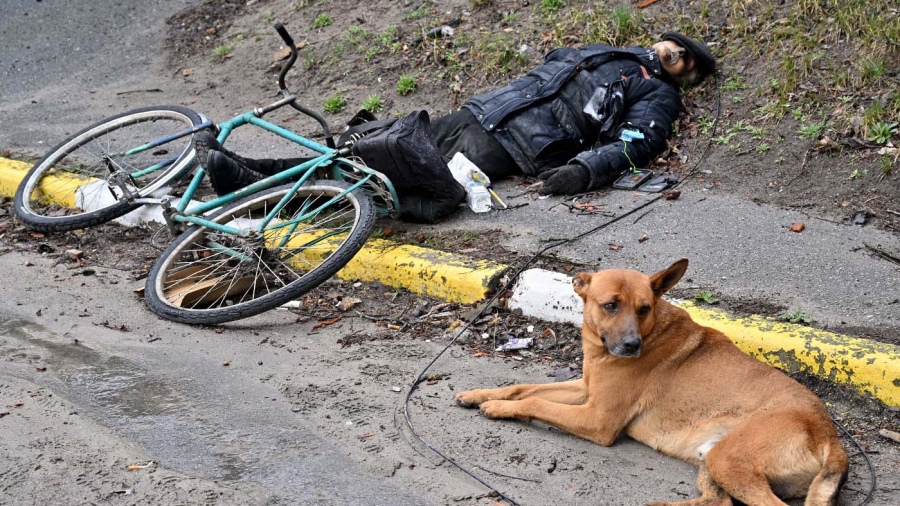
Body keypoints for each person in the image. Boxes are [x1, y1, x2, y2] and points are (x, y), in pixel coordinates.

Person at [194, 32, 715, 206]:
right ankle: (254, 169)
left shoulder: (657, 95)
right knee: (368, 149)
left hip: (511, 148)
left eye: (685, 59)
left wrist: (584, 170)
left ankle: (252, 186)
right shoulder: (610, 52)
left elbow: (634, 144)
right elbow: (549, 68)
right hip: (479, 113)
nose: (676, 52)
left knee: (396, 181)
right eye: (675, 45)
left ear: (685, 75)